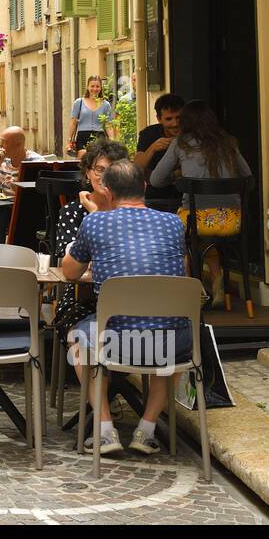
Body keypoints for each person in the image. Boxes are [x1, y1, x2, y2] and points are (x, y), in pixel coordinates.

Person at [62, 159, 192, 456]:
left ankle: (106, 430)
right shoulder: (174, 222)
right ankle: (145, 431)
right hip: (171, 345)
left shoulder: (94, 221)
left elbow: (69, 273)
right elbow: (181, 272)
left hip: (117, 344)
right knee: (169, 331)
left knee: (77, 340)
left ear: (106, 192)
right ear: (145, 187)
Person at [149, 100, 252, 304]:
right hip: (232, 220)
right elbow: (248, 178)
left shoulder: (181, 143)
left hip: (197, 220)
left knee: (181, 230)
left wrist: (178, 177)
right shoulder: (228, 142)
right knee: (202, 235)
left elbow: (155, 180)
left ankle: (191, 289)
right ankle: (217, 279)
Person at [50, 138, 130, 336]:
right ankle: (94, 367)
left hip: (130, 294)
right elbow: (70, 259)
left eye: (112, 170)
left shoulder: (132, 209)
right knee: (77, 327)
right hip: (83, 296)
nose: (106, 177)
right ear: (87, 172)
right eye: (100, 170)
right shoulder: (72, 212)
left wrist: (95, 215)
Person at [0, 126, 43, 243]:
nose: (1, 146)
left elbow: (39, 191)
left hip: (28, 205)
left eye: (4, 142)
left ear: (18, 145)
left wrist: (18, 186)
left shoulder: (36, 162)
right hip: (6, 205)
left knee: (21, 216)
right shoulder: (2, 161)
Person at [134, 93, 185, 204]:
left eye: (178, 118)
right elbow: (136, 166)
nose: (175, 123)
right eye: (169, 119)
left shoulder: (192, 134)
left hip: (185, 196)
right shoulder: (149, 133)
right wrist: (152, 148)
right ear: (159, 119)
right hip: (155, 196)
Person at [67, 76, 116, 157]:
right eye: (92, 86)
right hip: (82, 137)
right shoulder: (79, 102)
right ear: (87, 87)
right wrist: (69, 140)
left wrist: (112, 140)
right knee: (83, 160)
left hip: (99, 137)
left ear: (101, 88)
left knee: (97, 161)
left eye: (97, 86)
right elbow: (73, 123)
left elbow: (108, 124)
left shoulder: (105, 104)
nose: (95, 89)